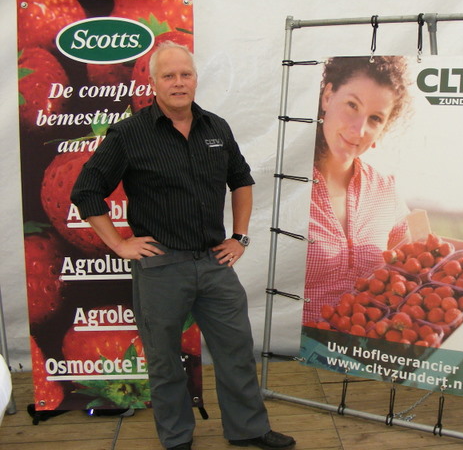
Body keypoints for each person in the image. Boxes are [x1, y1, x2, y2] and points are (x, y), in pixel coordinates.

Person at [71, 41, 295, 450]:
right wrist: (119, 244)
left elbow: (241, 181)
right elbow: (86, 190)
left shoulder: (216, 127)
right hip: (161, 267)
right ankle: (176, 438)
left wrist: (239, 237)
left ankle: (248, 429)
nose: (178, 82)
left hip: (213, 263)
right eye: (169, 75)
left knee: (236, 351)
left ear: (195, 79)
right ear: (153, 83)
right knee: (163, 360)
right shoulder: (129, 134)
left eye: (185, 74)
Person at [303, 56, 412, 324]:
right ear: (328, 96)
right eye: (352, 105)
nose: (359, 130)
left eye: (375, 118)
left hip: (364, 344)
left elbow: (412, 275)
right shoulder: (286, 183)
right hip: (293, 344)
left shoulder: (385, 191)